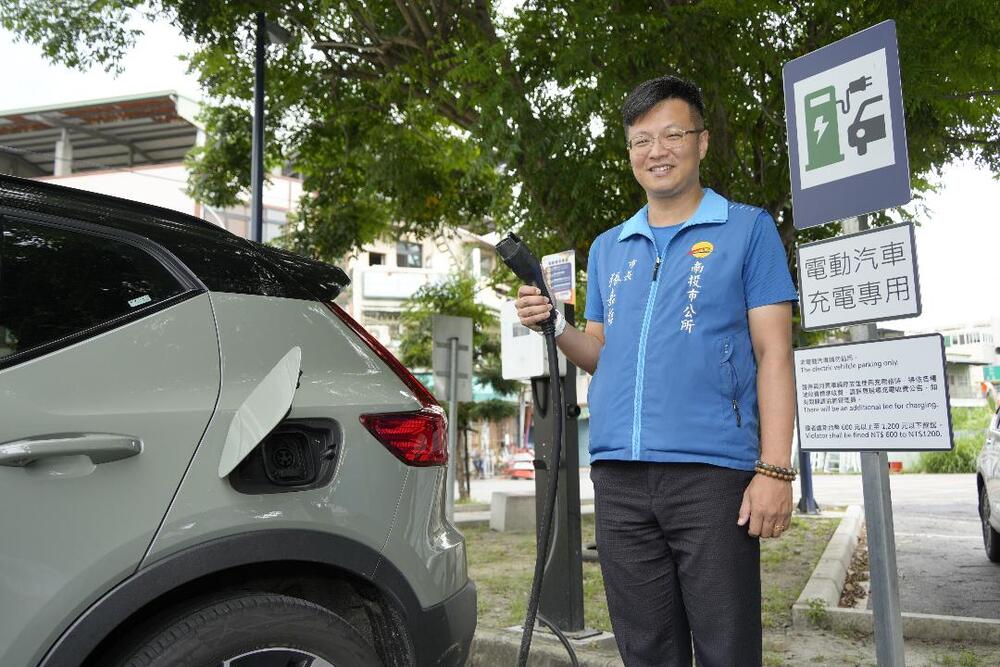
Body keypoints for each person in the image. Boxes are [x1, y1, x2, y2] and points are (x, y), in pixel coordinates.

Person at [515, 75, 799, 667]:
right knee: (645, 651)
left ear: (701, 141)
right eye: (641, 140)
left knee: (726, 649)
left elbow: (774, 353)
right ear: (630, 153)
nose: (657, 151)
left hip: (712, 475)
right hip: (618, 477)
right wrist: (554, 325)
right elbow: (601, 353)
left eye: (672, 134)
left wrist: (774, 469)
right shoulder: (609, 247)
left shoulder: (748, 229)